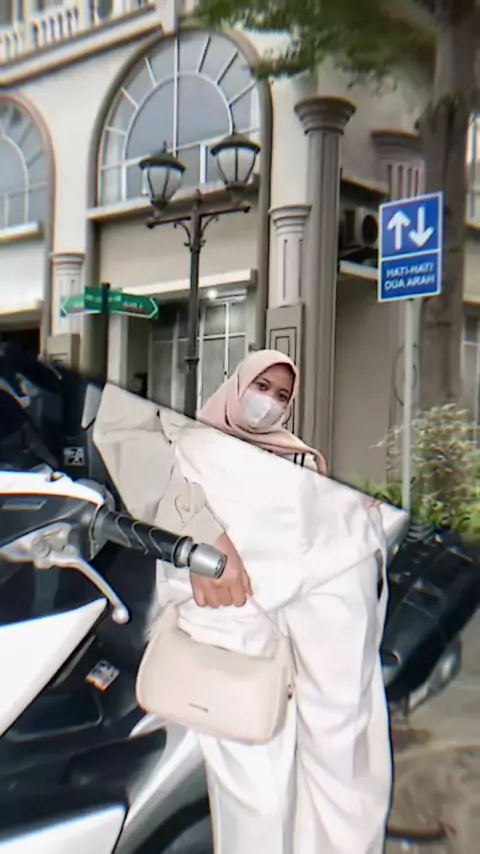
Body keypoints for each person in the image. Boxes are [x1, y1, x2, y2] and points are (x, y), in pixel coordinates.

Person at [93, 352, 394, 854]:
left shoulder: (294, 449)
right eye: (261, 386)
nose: (268, 403)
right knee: (248, 756)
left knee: (342, 749)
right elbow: (123, 426)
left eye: (281, 396)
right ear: (235, 382)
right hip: (224, 565)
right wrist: (194, 532)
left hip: (336, 558)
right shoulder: (195, 428)